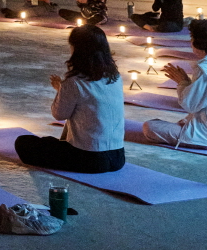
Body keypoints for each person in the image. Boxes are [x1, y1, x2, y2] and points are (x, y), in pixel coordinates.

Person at [15, 25, 125, 173]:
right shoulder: (115, 77)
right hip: (117, 157)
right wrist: (63, 89)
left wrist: (62, 89)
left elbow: (59, 114)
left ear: (78, 50)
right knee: (51, 142)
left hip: (89, 158)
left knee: (23, 143)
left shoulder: (74, 82)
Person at [141, 19, 207, 148]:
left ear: (199, 43)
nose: (190, 42)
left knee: (150, 127)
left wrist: (182, 82)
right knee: (180, 121)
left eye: (192, 38)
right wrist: (186, 83)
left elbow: (191, 105)